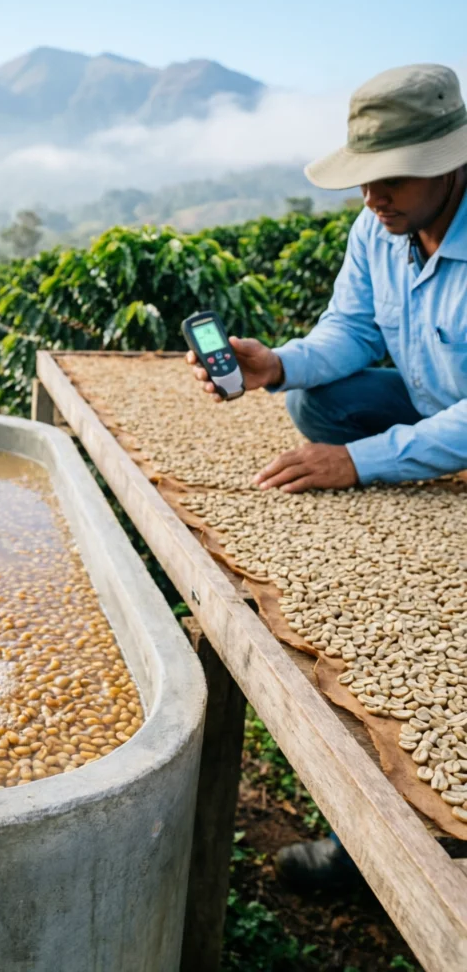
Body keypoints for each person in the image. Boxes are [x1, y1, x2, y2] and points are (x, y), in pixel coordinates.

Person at [187, 63, 467, 889]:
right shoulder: (378, 229)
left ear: (453, 161)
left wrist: (360, 463)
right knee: (318, 400)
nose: (372, 196)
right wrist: (274, 364)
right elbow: (347, 334)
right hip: (434, 400)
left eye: (391, 177)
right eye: (364, 177)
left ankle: (396, 850)